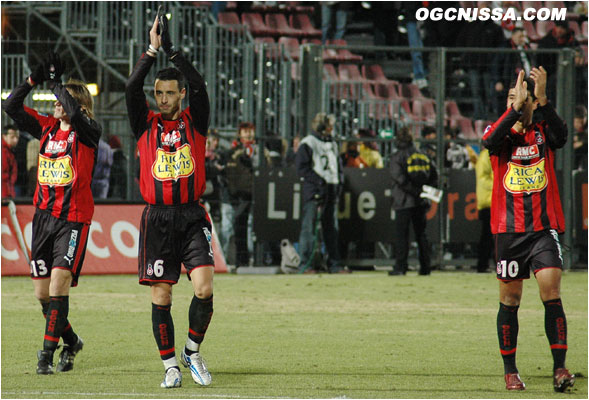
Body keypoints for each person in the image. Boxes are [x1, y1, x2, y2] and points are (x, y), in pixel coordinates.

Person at [125, 14, 213, 388]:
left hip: (192, 215)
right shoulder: (145, 124)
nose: (162, 99)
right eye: (158, 93)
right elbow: (131, 87)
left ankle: (191, 353)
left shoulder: (196, 121)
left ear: (181, 95)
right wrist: (150, 50)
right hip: (157, 218)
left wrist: (173, 52)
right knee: (162, 295)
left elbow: (199, 84)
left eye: (169, 93)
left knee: (204, 288)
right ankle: (170, 366)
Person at [2, 51, 101, 374]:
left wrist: (57, 82)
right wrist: (35, 78)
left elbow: (71, 107)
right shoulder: (45, 127)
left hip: (73, 219)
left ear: (79, 106)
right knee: (42, 293)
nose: (56, 103)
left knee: (58, 284)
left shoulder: (88, 132)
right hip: (43, 218)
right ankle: (71, 340)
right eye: (57, 99)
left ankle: (47, 353)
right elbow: (11, 106)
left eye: (63, 100)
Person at [482, 68, 575, 392]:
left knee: (551, 292)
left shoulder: (543, 131)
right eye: (511, 97)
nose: (518, 101)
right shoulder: (501, 134)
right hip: (508, 231)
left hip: (542, 229)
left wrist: (543, 100)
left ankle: (560, 368)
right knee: (510, 300)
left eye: (522, 98)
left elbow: (562, 136)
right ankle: (511, 371)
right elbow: (488, 140)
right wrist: (514, 108)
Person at [296, 112, 346, 274]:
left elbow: (337, 167)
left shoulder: (333, 144)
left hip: (331, 189)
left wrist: (339, 183)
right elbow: (302, 168)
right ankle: (305, 264)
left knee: (332, 228)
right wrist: (319, 182)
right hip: (315, 192)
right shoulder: (308, 143)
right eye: (330, 125)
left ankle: (334, 263)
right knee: (309, 228)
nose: (332, 129)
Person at [389, 127, 437, 276]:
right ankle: (425, 267)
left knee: (402, 236)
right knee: (421, 234)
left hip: (403, 201)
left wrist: (414, 192)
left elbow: (400, 179)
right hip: (420, 202)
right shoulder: (423, 155)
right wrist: (424, 192)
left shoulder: (397, 157)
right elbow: (434, 175)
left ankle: (400, 267)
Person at [492, 27, 535, 118]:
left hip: (525, 82)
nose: (522, 39)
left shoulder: (526, 47)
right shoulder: (505, 47)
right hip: (508, 81)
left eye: (523, 36)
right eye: (520, 36)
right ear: (513, 36)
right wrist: (498, 81)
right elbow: (496, 65)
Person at [474, 147, 493, 273]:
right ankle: (482, 265)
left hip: (491, 200)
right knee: (488, 235)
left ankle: (484, 264)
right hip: (489, 201)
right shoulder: (487, 155)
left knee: (489, 235)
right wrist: (500, 185)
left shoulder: (487, 154)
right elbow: (482, 178)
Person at [2, 125, 20, 198]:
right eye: (12, 137)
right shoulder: (3, 152)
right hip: (5, 192)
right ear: (4, 136)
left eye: (17, 137)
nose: (15, 140)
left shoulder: (8, 151)